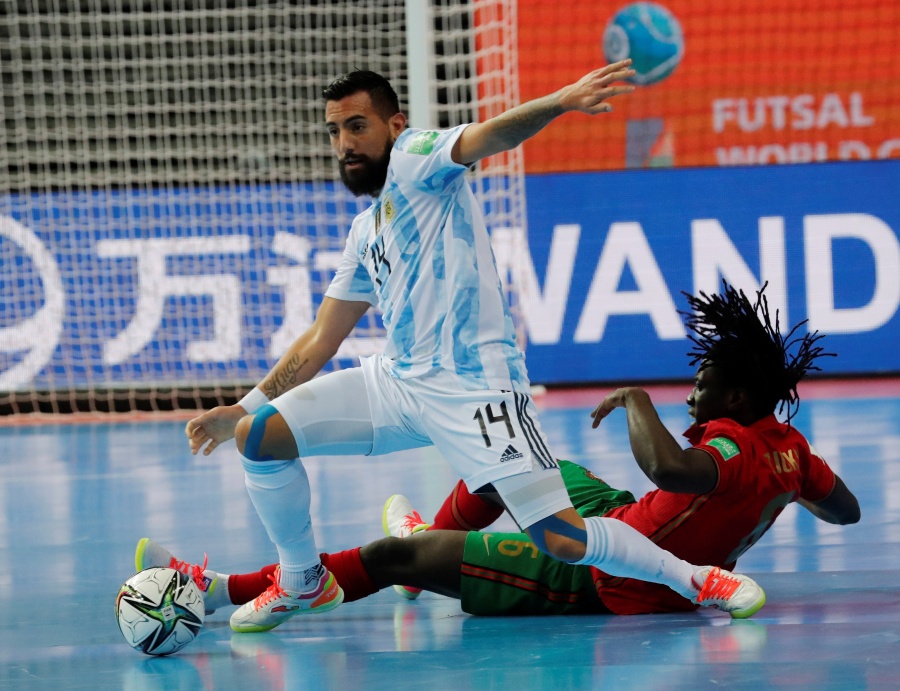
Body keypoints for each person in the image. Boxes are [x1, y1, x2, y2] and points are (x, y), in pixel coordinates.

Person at [182, 62, 765, 633]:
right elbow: (322, 337)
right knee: (259, 436)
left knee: (561, 536)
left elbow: (489, 135)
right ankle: (301, 578)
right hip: (399, 382)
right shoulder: (366, 230)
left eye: (357, 126)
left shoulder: (416, 158)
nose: (344, 142)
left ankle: (697, 580)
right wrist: (245, 406)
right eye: (334, 131)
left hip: (475, 387)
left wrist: (561, 101)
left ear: (394, 124)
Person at [152, 283, 850, 622]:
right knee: (505, 457)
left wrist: (638, 400)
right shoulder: (791, 450)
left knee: (393, 558)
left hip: (605, 579)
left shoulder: (729, 446)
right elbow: (843, 510)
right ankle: (437, 534)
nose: (693, 393)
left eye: (705, 383)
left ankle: (219, 592)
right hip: (625, 513)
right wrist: (775, 496)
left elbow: (669, 466)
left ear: (738, 396)